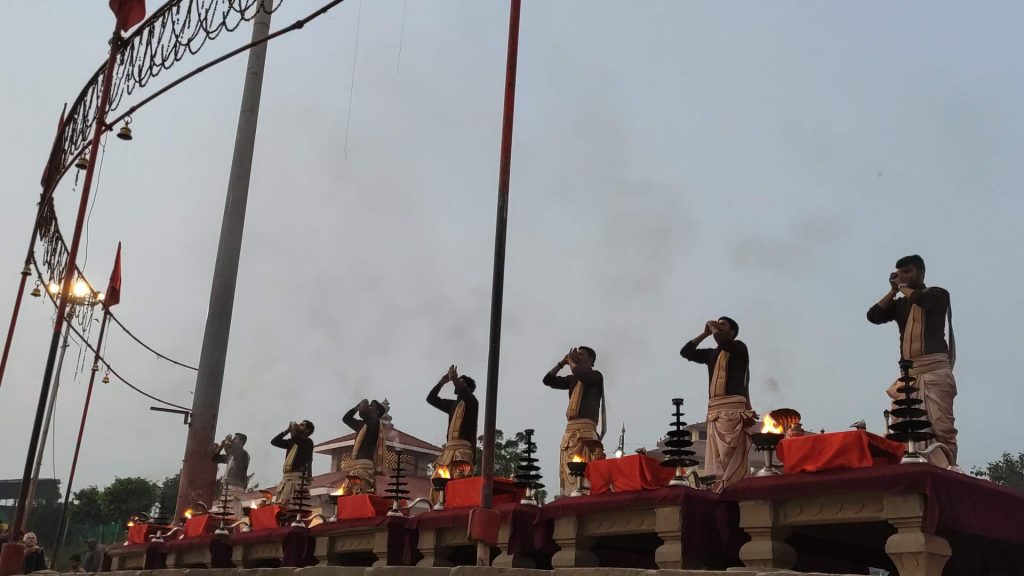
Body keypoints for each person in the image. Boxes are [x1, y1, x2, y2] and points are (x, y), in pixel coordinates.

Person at [867, 254, 958, 468]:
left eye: (907, 271)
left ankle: (949, 469)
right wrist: (892, 290)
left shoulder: (938, 294)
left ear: (921, 272)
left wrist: (901, 288)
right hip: (910, 374)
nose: (903, 277)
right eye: (900, 273)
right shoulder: (900, 304)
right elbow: (873, 315)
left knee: (941, 426)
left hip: (935, 370)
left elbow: (922, 300)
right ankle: (913, 469)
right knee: (905, 427)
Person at [680, 317, 757, 492]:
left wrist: (714, 330)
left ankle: (734, 491)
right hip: (715, 411)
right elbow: (686, 352)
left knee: (731, 459)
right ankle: (717, 492)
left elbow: (724, 343)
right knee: (716, 461)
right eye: (717, 324)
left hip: (733, 409)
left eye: (723, 325)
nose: (717, 327)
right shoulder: (711, 354)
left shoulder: (738, 347)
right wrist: (705, 333)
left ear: (732, 332)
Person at [544, 346, 606, 496]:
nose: (578, 357)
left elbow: (581, 375)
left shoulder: (596, 376)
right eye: (576, 354)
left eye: (581, 355)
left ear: (591, 360)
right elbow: (548, 380)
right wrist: (562, 363)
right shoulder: (573, 379)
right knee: (567, 471)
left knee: (586, 474)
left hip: (585, 432)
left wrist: (572, 362)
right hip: (570, 432)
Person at [427, 365, 479, 484]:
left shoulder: (472, 402)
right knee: (438, 482)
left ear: (468, 388)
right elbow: (431, 399)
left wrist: (454, 377)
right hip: (449, 451)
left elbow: (464, 393)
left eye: (460, 382)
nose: (455, 384)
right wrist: (441, 383)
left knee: (459, 483)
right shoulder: (453, 405)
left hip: (462, 452)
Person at [339, 400, 387, 494]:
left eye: (372, 406)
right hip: (355, 465)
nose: (369, 407)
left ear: (377, 412)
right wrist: (357, 407)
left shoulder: (375, 423)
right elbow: (346, 419)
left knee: (361, 492)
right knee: (348, 492)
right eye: (369, 405)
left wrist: (363, 405)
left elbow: (364, 414)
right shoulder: (361, 424)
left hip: (365, 466)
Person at [271, 420, 315, 505]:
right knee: (281, 506)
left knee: (291, 506)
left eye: (302, 425)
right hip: (286, 478)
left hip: (297, 479)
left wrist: (294, 426)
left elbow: (295, 438)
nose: (299, 425)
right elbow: (274, 442)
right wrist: (287, 430)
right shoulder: (292, 442)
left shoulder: (308, 442)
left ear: (307, 431)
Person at [212, 432, 250, 518]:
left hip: (236, 488)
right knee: (223, 512)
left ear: (241, 442)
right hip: (227, 488)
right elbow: (215, 458)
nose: (233, 440)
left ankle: (235, 528)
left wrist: (226, 443)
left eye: (235, 438)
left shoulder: (243, 454)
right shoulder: (231, 455)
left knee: (233, 513)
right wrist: (221, 446)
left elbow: (230, 450)